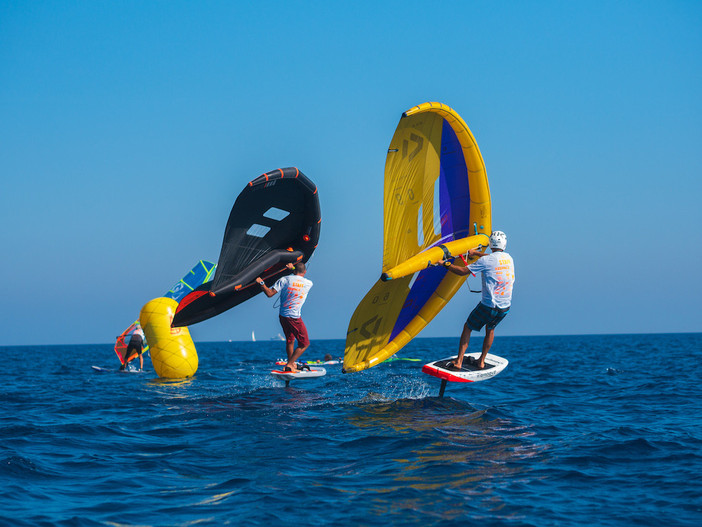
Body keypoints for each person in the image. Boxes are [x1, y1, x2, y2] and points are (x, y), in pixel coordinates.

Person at [439, 230, 515, 370]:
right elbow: (493, 259)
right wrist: (477, 253)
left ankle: (459, 361)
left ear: (490, 243)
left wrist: (445, 264)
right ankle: (481, 361)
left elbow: (462, 272)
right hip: (505, 307)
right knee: (490, 329)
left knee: (468, 327)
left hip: (489, 306)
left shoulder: (487, 260)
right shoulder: (509, 258)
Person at [256, 262, 313, 373]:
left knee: (290, 340)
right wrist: (293, 269)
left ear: (294, 271)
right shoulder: (309, 283)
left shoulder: (284, 280)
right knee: (305, 343)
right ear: (305, 272)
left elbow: (269, 293)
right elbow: (297, 276)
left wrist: (261, 283)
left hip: (283, 316)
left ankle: (291, 364)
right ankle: (290, 364)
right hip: (294, 318)